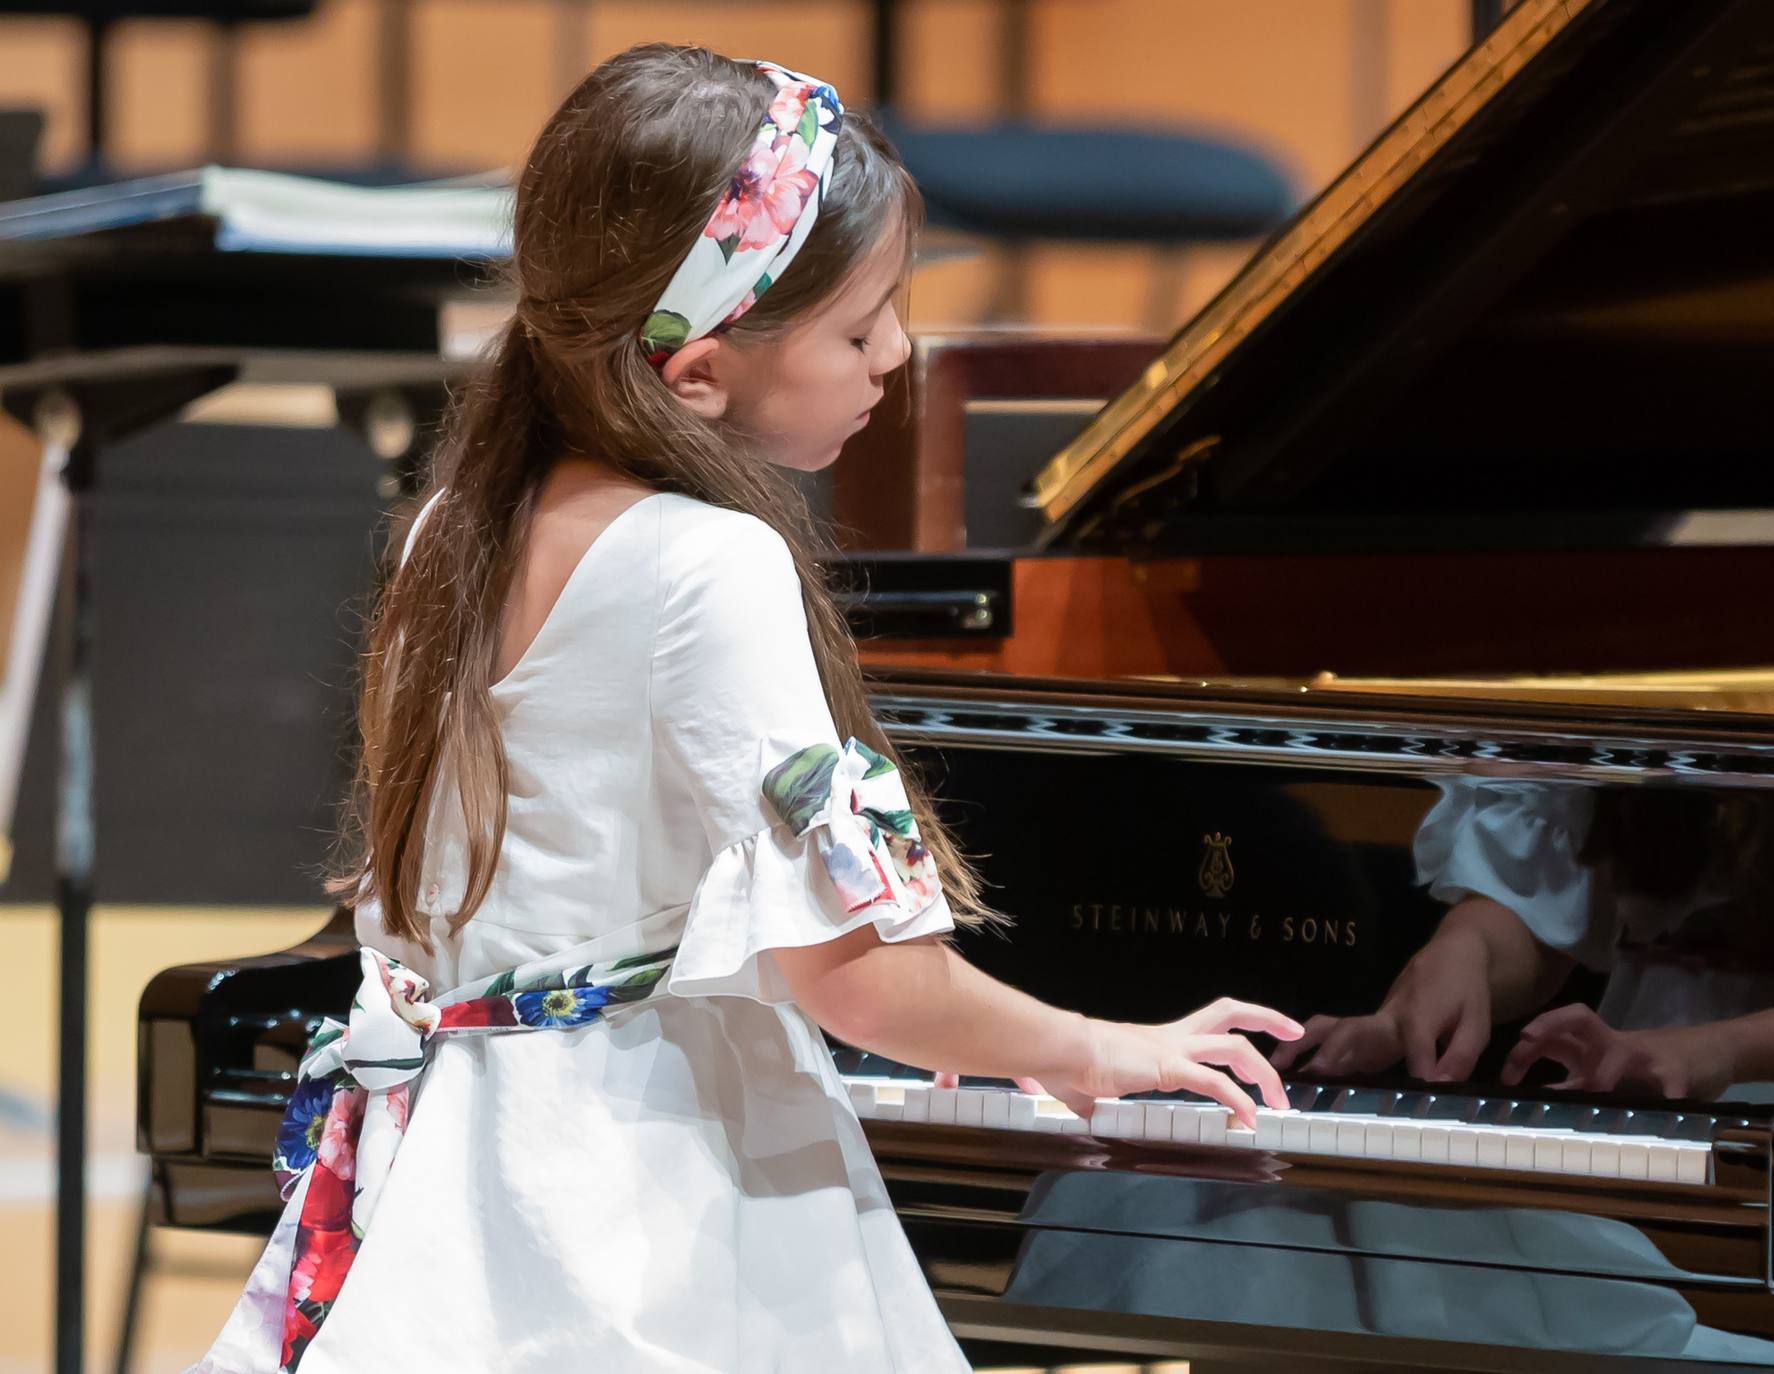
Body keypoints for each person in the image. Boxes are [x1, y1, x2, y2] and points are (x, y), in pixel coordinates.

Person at [189, 46, 1295, 1374]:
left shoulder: (448, 528)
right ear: (698, 372)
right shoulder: (706, 565)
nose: (899, 351)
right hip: (650, 1204)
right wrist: (1095, 1046)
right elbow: (858, 976)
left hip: (458, 1175)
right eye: (857, 325)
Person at [1276, 777, 1774, 1100]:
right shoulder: (1638, 650)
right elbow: (1539, 913)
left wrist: (1718, 1050)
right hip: (1648, 1102)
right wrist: (1464, 950)